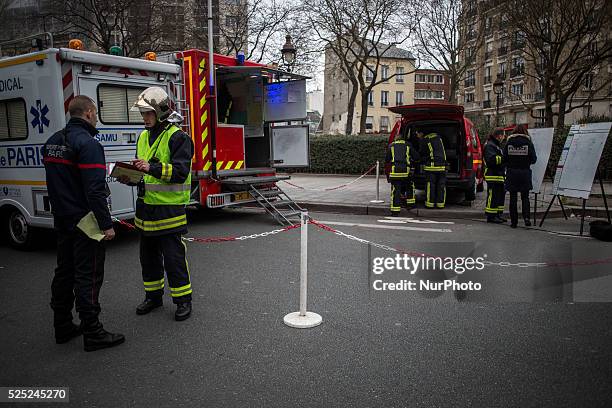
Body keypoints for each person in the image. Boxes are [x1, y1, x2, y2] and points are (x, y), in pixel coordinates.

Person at [43, 95, 125, 352]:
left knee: (64, 271)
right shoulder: (88, 144)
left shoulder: (52, 142)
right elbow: (95, 189)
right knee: (88, 275)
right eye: (96, 112)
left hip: (62, 218)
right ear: (89, 112)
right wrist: (106, 224)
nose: (97, 116)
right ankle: (93, 332)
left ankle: (63, 325)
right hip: (85, 222)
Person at [118, 86, 194, 321]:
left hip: (169, 210)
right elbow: (144, 173)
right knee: (148, 259)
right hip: (145, 210)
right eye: (142, 113)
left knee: (173, 259)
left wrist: (151, 167)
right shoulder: (142, 136)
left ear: (161, 112)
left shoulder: (178, 137)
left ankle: (183, 300)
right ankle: (153, 297)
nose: (144, 117)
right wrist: (130, 177)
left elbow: (180, 172)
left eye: (148, 113)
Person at [503, 124, 537, 228]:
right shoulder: (528, 143)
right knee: (525, 197)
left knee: (513, 198)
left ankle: (514, 222)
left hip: (512, 173)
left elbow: (504, 159)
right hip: (524, 173)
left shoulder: (509, 143)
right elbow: (534, 159)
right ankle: (526, 218)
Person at [417, 129, 447, 209]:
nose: (417, 136)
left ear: (421, 133)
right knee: (441, 185)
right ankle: (440, 204)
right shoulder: (438, 138)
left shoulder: (425, 140)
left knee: (431, 185)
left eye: (417, 134)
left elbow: (422, 153)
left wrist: (419, 160)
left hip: (432, 167)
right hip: (442, 166)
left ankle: (429, 204)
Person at [386, 132, 414, 215]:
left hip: (395, 172)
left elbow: (387, 159)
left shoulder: (391, 146)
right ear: (403, 139)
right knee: (409, 187)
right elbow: (416, 157)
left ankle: (395, 211)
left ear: (395, 138)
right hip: (406, 171)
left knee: (396, 190)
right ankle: (410, 205)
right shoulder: (408, 145)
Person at [483, 128, 507, 223]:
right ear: (499, 135)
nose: (504, 137)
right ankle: (491, 216)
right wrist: (504, 158)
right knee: (493, 196)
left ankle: (497, 215)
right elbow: (491, 160)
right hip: (493, 175)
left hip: (499, 175)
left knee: (500, 196)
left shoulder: (496, 145)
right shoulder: (490, 145)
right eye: (503, 135)